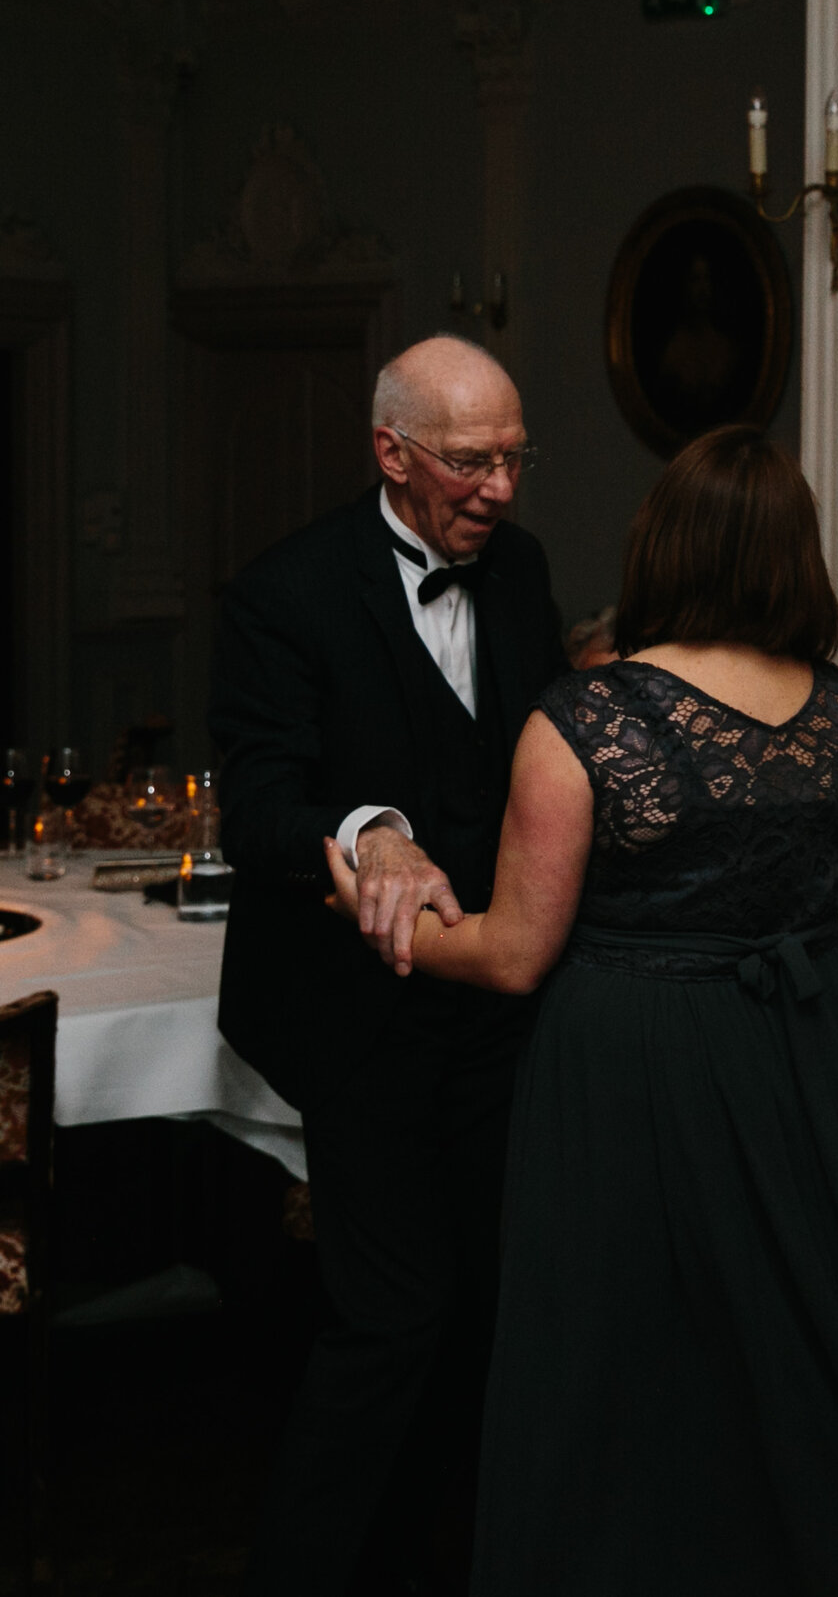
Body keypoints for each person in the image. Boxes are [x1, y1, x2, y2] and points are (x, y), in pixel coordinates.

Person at [319, 426, 838, 1596]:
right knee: (809, 1340)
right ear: (793, 554)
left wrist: (382, 915)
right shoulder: (831, 707)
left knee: (630, 1360)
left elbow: (517, 951)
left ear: (661, 542)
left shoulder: (586, 719)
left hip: (639, 1057)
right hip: (808, 1039)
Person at [211, 333, 566, 1596]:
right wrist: (372, 834)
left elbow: (538, 755)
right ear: (391, 452)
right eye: (472, 463)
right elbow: (255, 810)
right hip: (353, 1019)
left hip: (494, 1015)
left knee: (485, 1307)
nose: (502, 489)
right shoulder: (284, 594)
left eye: (516, 458)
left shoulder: (518, 573)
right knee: (390, 1317)